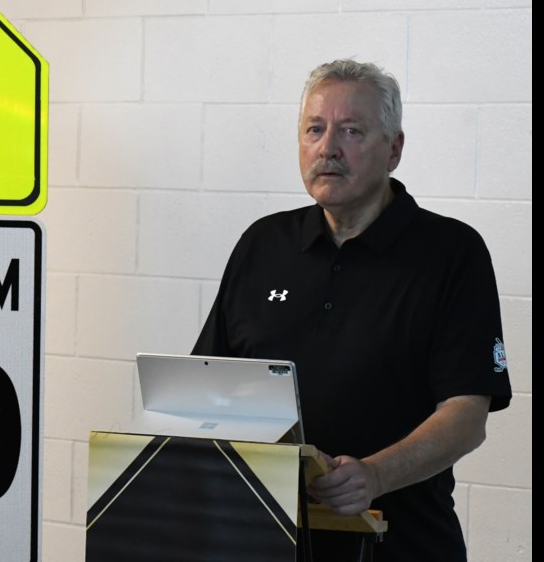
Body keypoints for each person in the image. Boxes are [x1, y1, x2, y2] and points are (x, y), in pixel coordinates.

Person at [191, 59, 512, 561]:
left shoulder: (452, 253)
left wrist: (375, 474)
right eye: (314, 130)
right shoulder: (263, 244)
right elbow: (206, 390)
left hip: (401, 545)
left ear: (395, 150)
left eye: (351, 131)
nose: (328, 148)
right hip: (263, 541)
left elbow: (467, 415)